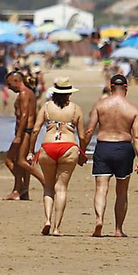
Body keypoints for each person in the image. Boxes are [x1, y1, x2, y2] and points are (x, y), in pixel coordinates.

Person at [81, 72, 138, 237]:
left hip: (104, 147)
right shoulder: (132, 109)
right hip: (124, 148)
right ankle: (118, 229)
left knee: (101, 188)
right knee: (122, 192)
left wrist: (82, 150)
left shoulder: (100, 105)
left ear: (111, 88)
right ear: (126, 88)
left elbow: (89, 131)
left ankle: (99, 220)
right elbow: (137, 136)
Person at [31, 79, 84, 236]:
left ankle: (47, 219)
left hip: (48, 147)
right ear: (69, 93)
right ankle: (56, 228)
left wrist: (31, 151)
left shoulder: (46, 107)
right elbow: (82, 135)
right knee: (61, 188)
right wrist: (82, 152)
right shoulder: (76, 109)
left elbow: (35, 130)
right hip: (68, 147)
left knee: (48, 186)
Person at [3, 69, 39, 201]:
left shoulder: (24, 93)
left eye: (9, 84)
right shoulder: (30, 93)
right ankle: (21, 191)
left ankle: (44, 182)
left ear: (16, 81)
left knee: (12, 161)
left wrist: (18, 135)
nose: (8, 87)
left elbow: (24, 115)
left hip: (24, 131)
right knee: (20, 163)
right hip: (27, 131)